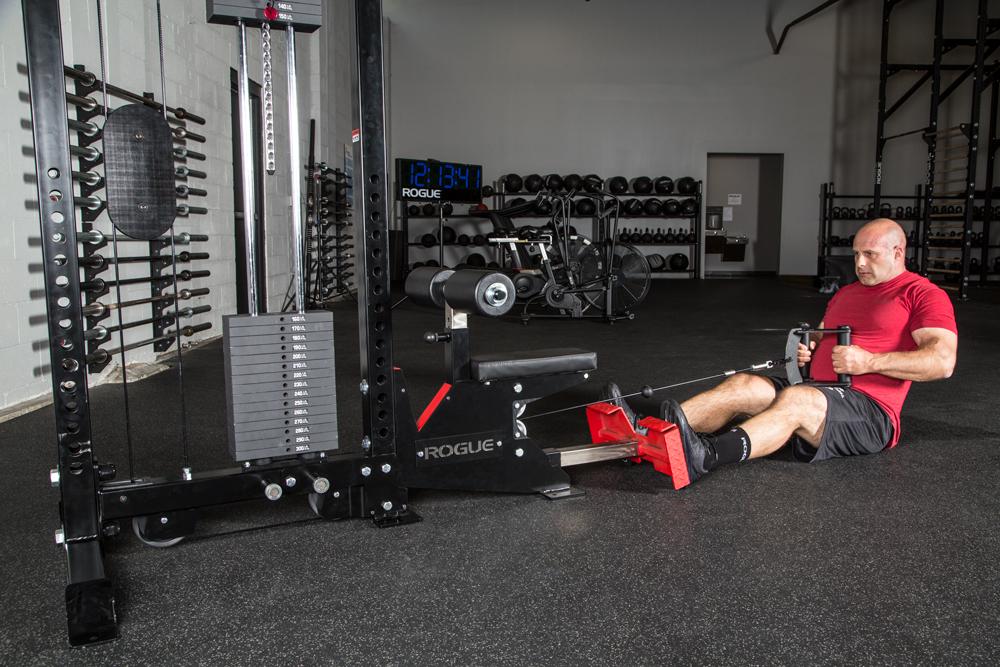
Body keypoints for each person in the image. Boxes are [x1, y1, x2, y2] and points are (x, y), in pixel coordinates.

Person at [605, 218, 958, 484]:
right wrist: (810, 348)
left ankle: (706, 456)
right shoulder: (848, 292)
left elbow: (942, 361)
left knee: (797, 399)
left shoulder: (921, 294)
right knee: (744, 385)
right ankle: (646, 432)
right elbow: (821, 335)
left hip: (869, 413)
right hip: (819, 391)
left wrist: (869, 361)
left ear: (898, 253)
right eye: (856, 255)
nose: (860, 264)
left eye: (870, 255)